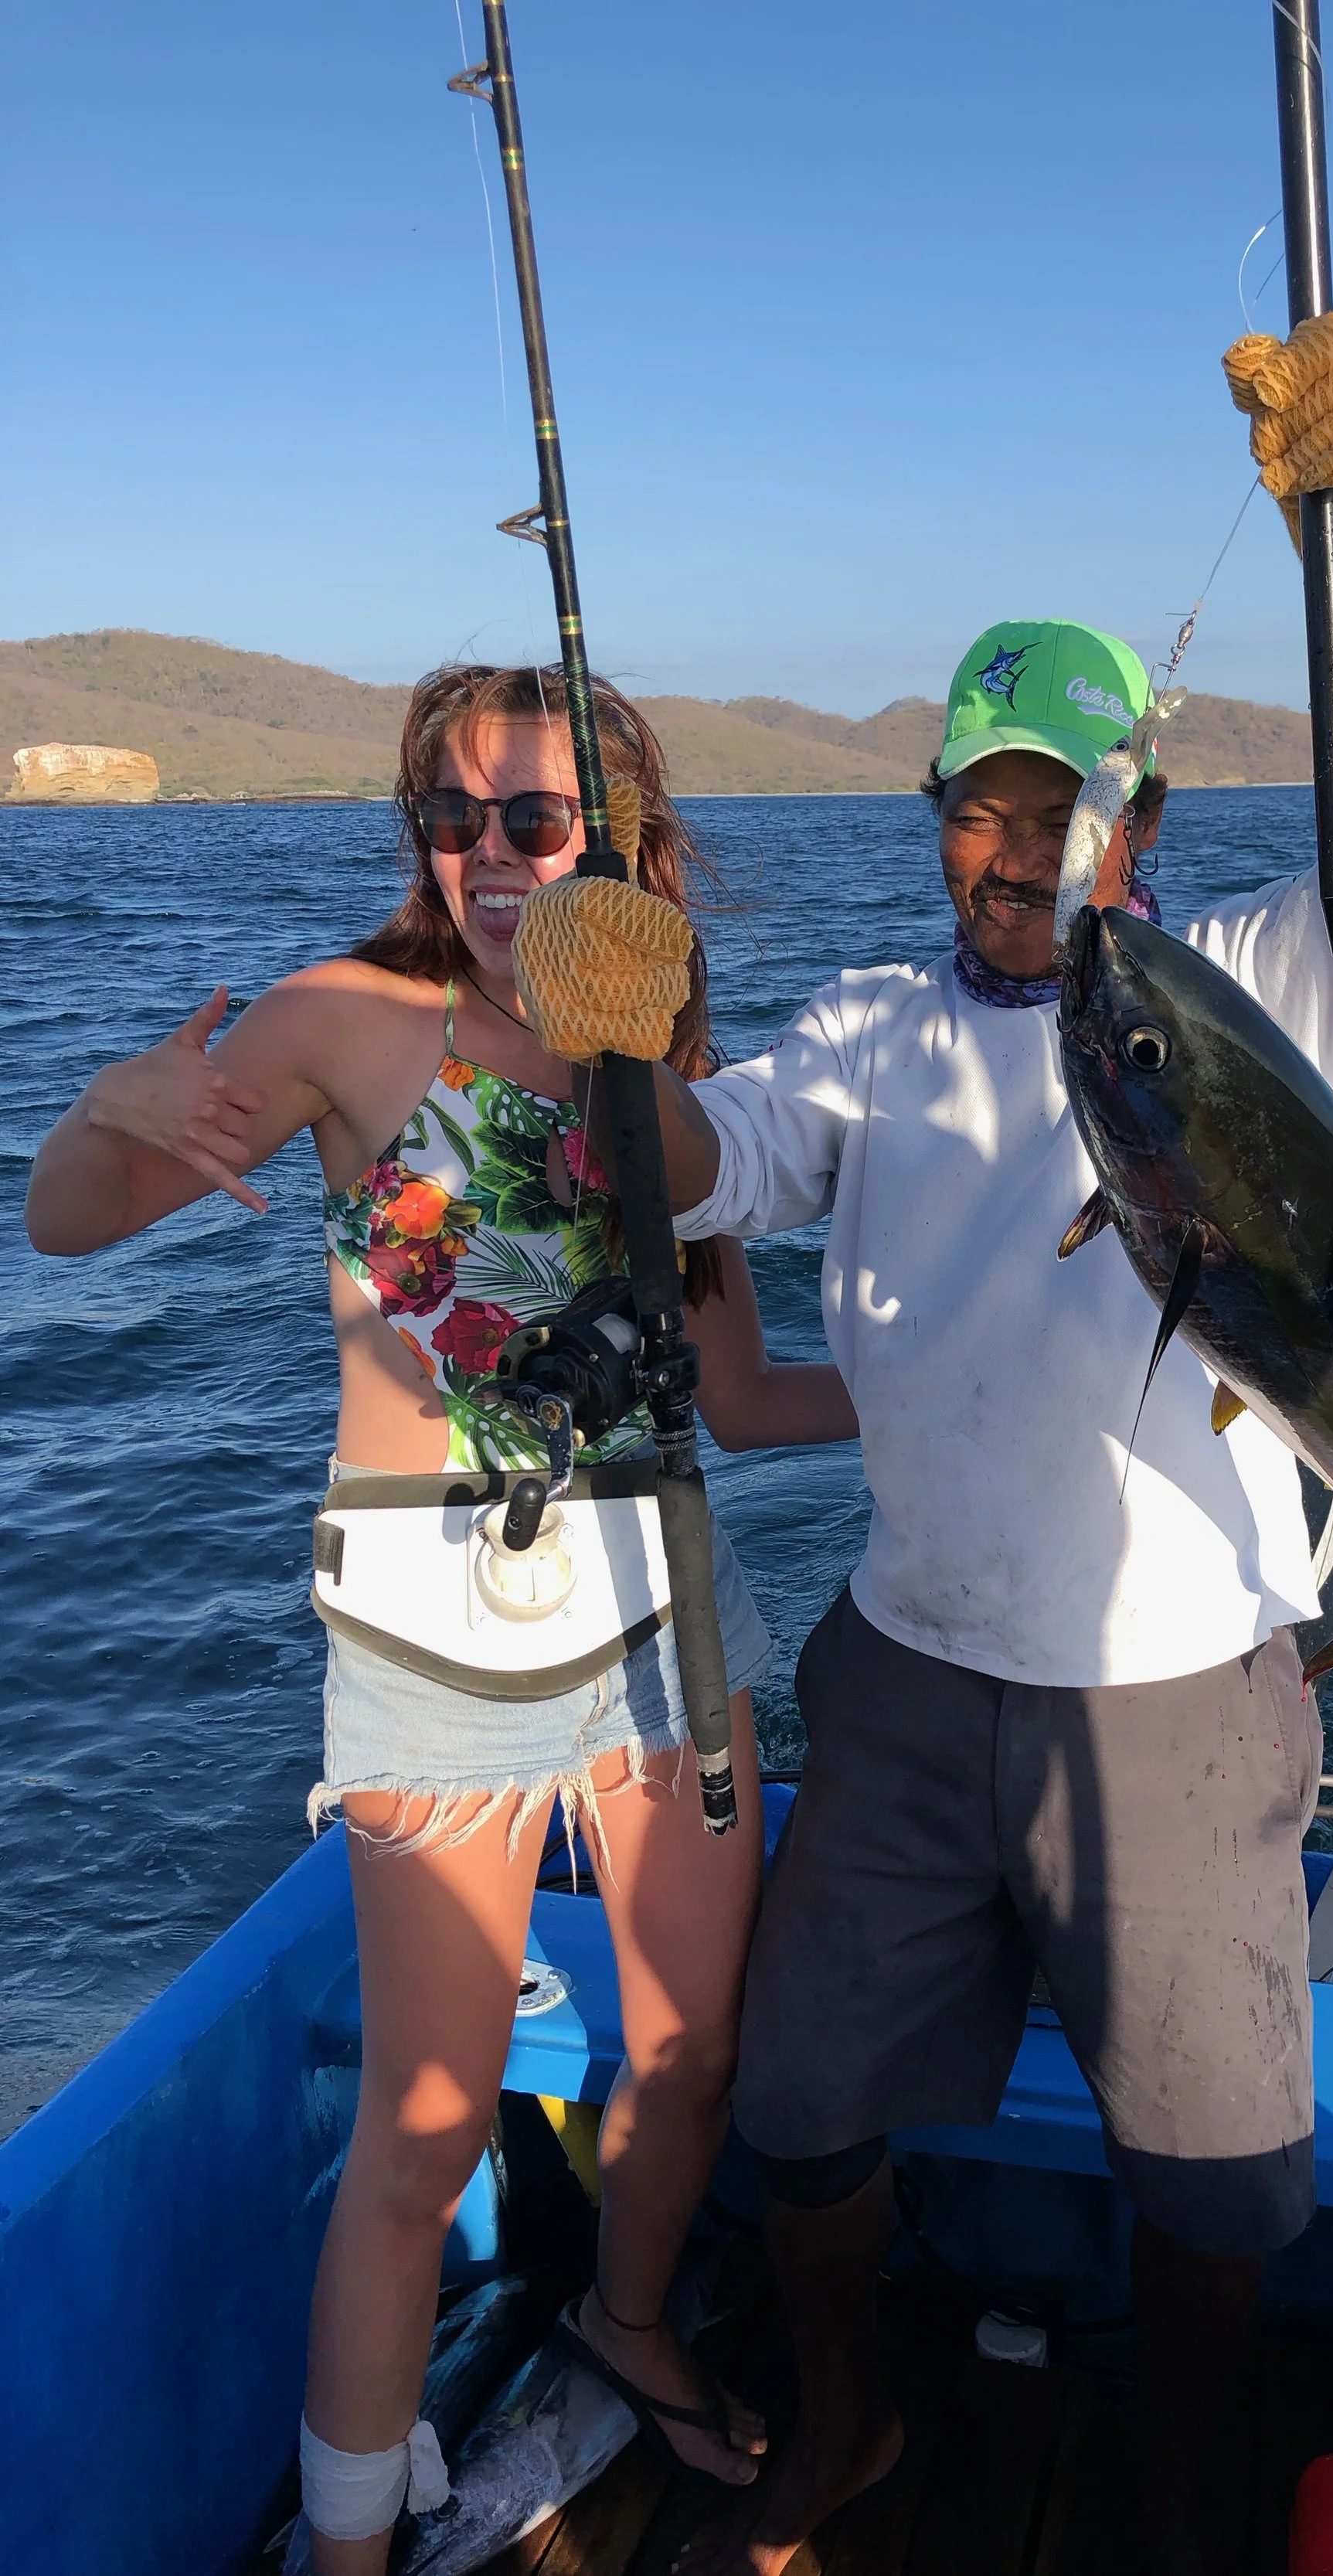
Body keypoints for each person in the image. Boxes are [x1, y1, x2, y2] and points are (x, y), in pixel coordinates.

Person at [519, 313, 1333, 2576]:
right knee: (799, 2110)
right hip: (904, 1677)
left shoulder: (1248, 981)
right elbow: (702, 1164)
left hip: (1176, 1697)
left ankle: (1170, 2492)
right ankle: (849, 2427)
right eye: (977, 806)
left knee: (1213, 2181)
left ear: (1135, 827)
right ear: (937, 823)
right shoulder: (867, 1030)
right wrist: (607, 1052)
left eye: (1057, 808)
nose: (1011, 848)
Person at [25, 664, 859, 2574]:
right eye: (454, 815)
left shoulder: (659, 1065)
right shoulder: (344, 1019)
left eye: (538, 819)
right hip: (428, 1632)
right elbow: (69, 1220)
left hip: (664, 1606)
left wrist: (954, 1395)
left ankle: (625, 2322)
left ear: (616, 841)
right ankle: (345, 2545)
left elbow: (738, 1396)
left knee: (693, 2052)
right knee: (419, 2126)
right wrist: (105, 1106)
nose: (492, 855)